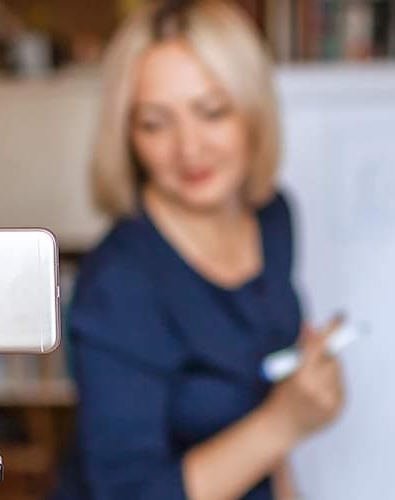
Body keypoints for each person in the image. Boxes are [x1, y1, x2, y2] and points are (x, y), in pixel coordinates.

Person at [50, 1, 344, 499]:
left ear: (254, 110)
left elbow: (272, 439)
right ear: (126, 136)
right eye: (154, 123)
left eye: (212, 112)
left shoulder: (273, 216)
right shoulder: (117, 283)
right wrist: (285, 421)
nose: (189, 149)